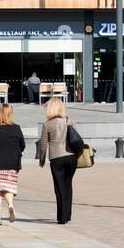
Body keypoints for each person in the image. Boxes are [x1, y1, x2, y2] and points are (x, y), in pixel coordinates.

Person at [38, 96, 83, 224]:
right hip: (71, 156)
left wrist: (42, 160)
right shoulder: (68, 121)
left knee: (59, 187)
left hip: (56, 157)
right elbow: (76, 138)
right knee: (68, 185)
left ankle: (61, 217)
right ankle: (68, 214)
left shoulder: (47, 124)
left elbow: (43, 145)